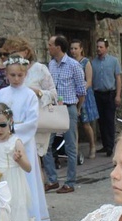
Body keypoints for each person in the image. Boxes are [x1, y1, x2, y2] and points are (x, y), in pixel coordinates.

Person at [1, 37, 53, 221]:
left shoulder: (30, 95)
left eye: (20, 75)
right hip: (4, 141)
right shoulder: (2, 94)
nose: (16, 79)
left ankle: (31, 217)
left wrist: (12, 131)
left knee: (25, 178)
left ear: (25, 74)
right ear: (7, 74)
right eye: (12, 75)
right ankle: (10, 216)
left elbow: (32, 121)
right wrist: (1, 133)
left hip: (23, 143)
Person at [41, 35, 86, 195]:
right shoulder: (51, 65)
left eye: (50, 44)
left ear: (58, 47)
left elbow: (82, 90)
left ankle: (70, 182)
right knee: (46, 144)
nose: (48, 47)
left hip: (68, 108)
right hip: (53, 108)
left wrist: (77, 108)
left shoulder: (74, 65)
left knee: (70, 146)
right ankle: (52, 180)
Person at [91, 38, 122, 156]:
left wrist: (118, 95)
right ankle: (105, 145)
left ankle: (110, 146)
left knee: (109, 120)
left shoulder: (113, 61)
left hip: (110, 93)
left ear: (106, 48)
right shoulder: (93, 62)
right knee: (101, 121)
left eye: (101, 47)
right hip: (98, 94)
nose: (99, 49)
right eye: (97, 47)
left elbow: (118, 78)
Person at [70, 39, 99, 159]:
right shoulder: (70, 62)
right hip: (72, 96)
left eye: (76, 48)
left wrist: (80, 90)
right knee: (74, 124)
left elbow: (89, 81)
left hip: (84, 95)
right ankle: (75, 150)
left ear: (81, 49)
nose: (73, 51)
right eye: (71, 48)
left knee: (86, 124)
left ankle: (92, 146)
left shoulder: (85, 62)